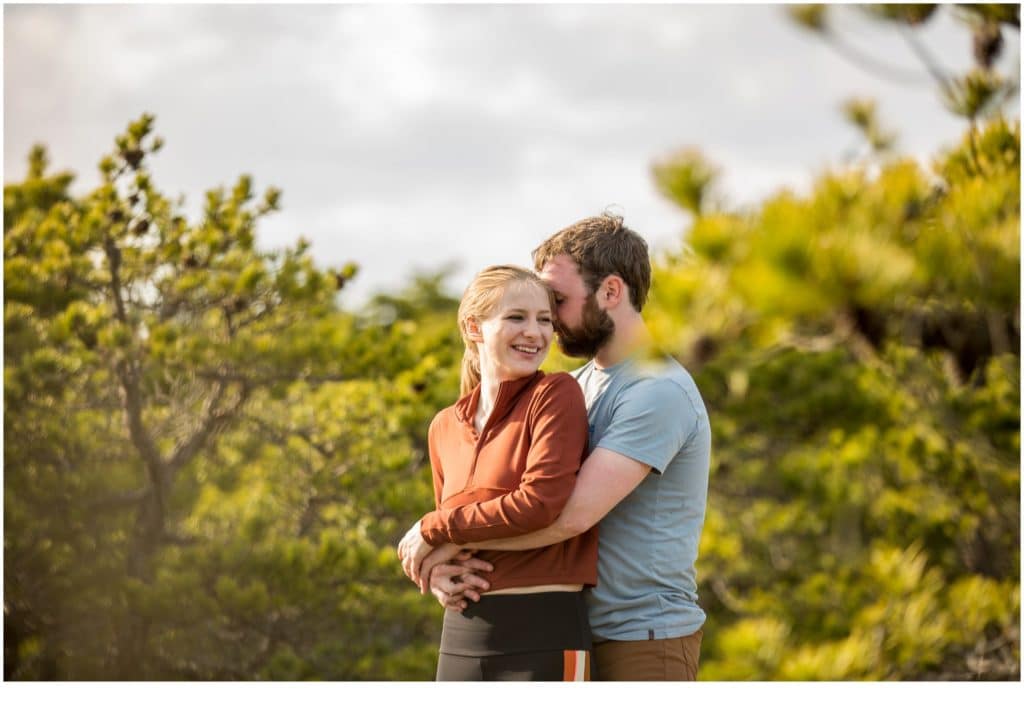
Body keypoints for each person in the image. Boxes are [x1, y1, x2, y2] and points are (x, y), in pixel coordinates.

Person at [401, 214, 711, 681]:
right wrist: (449, 573)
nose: (546, 324)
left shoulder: (656, 390)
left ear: (610, 292)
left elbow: (568, 517)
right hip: (579, 625)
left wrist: (442, 541)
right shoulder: (580, 384)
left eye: (557, 303)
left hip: (642, 637)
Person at [397, 264, 598, 681]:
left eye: (545, 320)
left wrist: (433, 529)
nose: (535, 332)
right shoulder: (443, 427)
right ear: (474, 328)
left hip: (544, 630)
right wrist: (438, 576)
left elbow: (539, 504)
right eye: (516, 317)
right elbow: (465, 538)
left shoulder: (556, 395)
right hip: (461, 634)